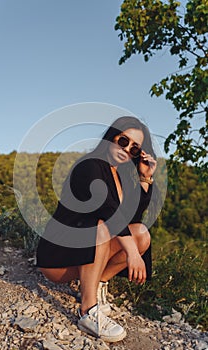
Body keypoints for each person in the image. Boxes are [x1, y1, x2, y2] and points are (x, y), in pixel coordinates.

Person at [36, 116, 158, 343]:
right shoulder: (90, 165)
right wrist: (132, 254)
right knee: (102, 226)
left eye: (134, 148)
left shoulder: (119, 176)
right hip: (58, 256)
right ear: (112, 136)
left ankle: (98, 284)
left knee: (140, 233)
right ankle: (88, 310)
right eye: (124, 141)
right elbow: (109, 214)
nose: (127, 149)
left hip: (87, 253)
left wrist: (144, 177)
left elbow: (130, 219)